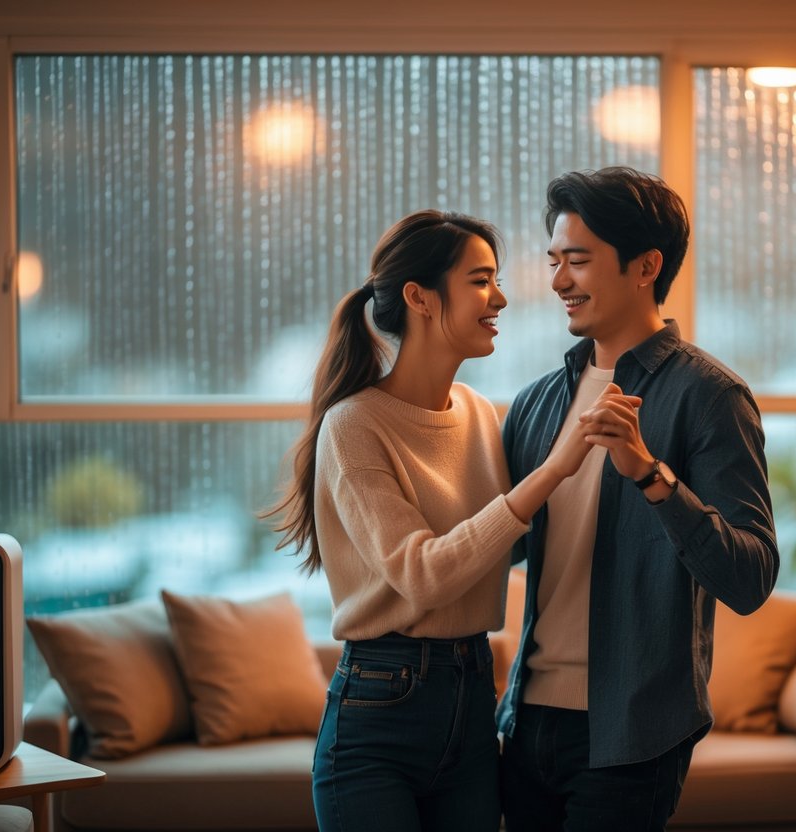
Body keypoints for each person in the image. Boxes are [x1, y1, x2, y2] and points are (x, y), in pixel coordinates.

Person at [266, 209, 623, 832]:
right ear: (420, 298)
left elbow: (492, 549)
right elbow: (426, 575)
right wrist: (556, 469)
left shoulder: (480, 413)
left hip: (474, 701)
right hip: (378, 715)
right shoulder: (353, 425)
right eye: (481, 280)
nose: (502, 298)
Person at [496, 167, 780, 831]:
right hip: (525, 722)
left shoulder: (710, 397)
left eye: (578, 261)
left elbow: (748, 577)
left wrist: (651, 473)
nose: (559, 281)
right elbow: (495, 547)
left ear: (645, 266)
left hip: (633, 739)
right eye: (553, 261)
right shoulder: (537, 403)